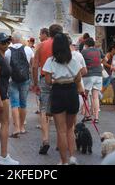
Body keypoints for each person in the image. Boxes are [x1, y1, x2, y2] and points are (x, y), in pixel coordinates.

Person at [42, 33, 84, 165]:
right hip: (72, 92)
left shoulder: (51, 61)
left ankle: (63, 161)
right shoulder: (74, 60)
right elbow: (78, 79)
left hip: (58, 93)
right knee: (70, 128)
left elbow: (48, 81)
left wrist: (57, 80)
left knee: (60, 130)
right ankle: (72, 157)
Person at [0, 32, 19, 165]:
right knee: (5, 122)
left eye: (7, 41)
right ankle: (4, 156)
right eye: (3, 42)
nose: (6, 44)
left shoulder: (0, 56)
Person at [32, 24, 63, 155]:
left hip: (45, 78)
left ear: (49, 33)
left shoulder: (41, 45)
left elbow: (34, 66)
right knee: (59, 110)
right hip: (60, 80)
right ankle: (60, 142)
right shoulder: (63, 45)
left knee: (44, 110)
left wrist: (35, 83)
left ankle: (45, 140)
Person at [5, 32, 34, 136]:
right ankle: (22, 127)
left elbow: (6, 66)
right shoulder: (28, 49)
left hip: (12, 80)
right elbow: (32, 65)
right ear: (21, 39)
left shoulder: (7, 51)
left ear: (12, 39)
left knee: (14, 104)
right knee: (23, 104)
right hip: (25, 79)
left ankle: (16, 128)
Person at [81, 37, 104, 123]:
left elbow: (80, 62)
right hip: (98, 75)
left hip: (88, 75)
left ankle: (87, 115)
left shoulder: (83, 52)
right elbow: (105, 59)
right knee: (95, 97)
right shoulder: (98, 50)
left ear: (86, 45)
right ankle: (96, 117)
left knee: (85, 96)